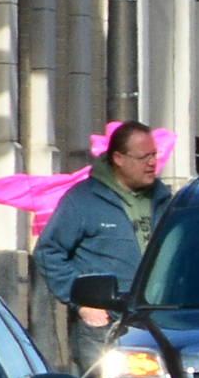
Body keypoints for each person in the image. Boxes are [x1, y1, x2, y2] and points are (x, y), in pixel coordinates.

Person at [33, 119, 165, 317]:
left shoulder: (164, 200)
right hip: (104, 324)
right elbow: (48, 252)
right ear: (119, 158)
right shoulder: (83, 200)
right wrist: (82, 304)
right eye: (144, 157)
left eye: (154, 154)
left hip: (160, 319)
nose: (152, 162)